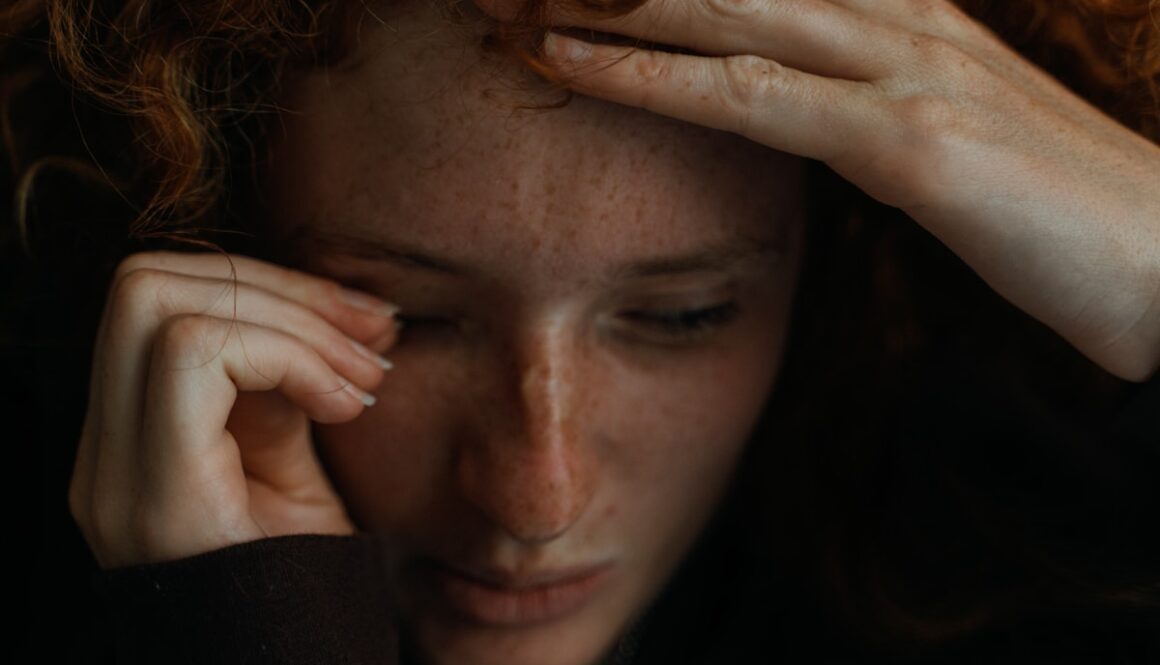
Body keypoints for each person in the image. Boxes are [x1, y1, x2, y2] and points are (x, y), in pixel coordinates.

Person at [3, 0, 1159, 663]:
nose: (533, 495)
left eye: (682, 314)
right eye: (409, 315)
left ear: (841, 272)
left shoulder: (1045, 558)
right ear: (204, 222)